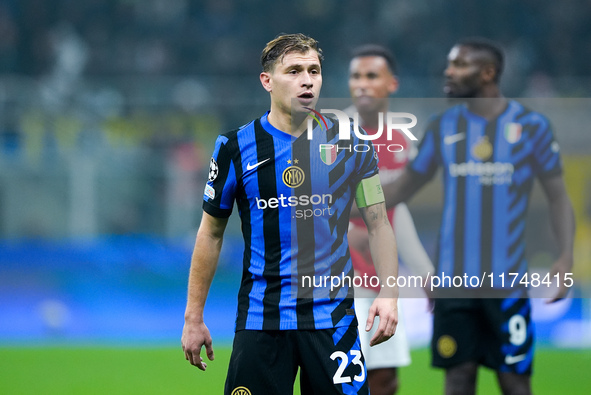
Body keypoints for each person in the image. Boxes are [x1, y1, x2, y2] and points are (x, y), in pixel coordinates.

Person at [181, 33, 400, 395]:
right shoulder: (234, 147)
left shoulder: (352, 143)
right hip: (261, 319)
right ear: (267, 80)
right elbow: (211, 233)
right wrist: (193, 316)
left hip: (333, 319)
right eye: (294, 71)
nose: (307, 80)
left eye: (313, 70)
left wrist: (389, 294)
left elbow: (378, 223)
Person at [380, 38, 575, 395]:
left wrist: (565, 257)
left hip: (508, 283)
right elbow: (403, 187)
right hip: (454, 284)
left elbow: (558, 197)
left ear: (487, 73)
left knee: (515, 382)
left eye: (459, 65)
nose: (448, 72)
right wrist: (347, 194)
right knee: (457, 379)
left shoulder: (530, 127)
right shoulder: (443, 126)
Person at [346, 44, 434, 395]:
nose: (362, 84)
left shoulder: (399, 141)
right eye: (356, 76)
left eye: (371, 76)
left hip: (381, 280)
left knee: (385, 378)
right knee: (341, 376)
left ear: (391, 84)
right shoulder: (333, 135)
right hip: (339, 279)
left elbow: (394, 213)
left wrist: (425, 270)